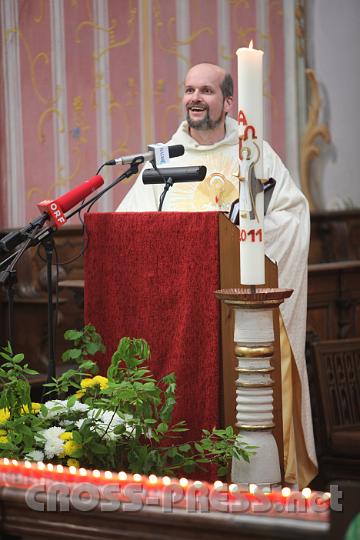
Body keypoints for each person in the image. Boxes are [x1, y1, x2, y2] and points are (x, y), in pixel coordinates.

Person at [116, 62, 317, 488]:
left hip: (236, 309)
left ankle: (251, 476)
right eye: (189, 89)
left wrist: (243, 234)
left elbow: (292, 215)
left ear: (227, 102)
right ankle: (178, 475)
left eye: (205, 90)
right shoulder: (163, 160)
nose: (194, 98)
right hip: (179, 313)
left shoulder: (254, 154)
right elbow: (128, 228)